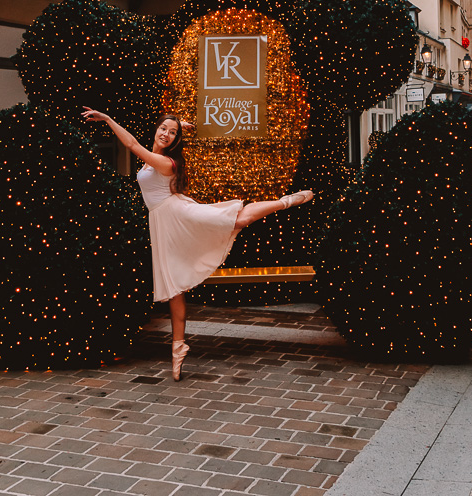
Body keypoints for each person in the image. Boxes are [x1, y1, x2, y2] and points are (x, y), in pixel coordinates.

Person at [81, 107, 313, 380]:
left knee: (236, 220)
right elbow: (160, 135)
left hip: (178, 214)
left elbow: (131, 144)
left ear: (175, 140)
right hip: (162, 224)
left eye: (172, 133)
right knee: (175, 286)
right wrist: (181, 124)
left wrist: (108, 119)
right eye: (163, 129)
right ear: (156, 129)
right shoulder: (156, 157)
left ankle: (287, 201)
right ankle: (178, 348)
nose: (166, 134)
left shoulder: (166, 162)